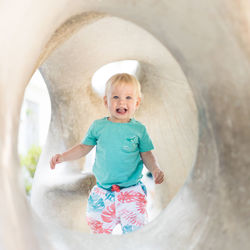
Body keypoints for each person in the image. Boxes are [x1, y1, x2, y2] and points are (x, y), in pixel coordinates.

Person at [50, 73, 164, 234]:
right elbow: (83, 147)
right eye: (115, 97)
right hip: (102, 193)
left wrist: (155, 169)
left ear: (137, 103)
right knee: (98, 236)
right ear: (106, 101)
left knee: (135, 236)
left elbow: (147, 154)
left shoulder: (139, 130)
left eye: (128, 98)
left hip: (131, 192)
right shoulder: (98, 126)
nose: (121, 101)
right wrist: (62, 157)